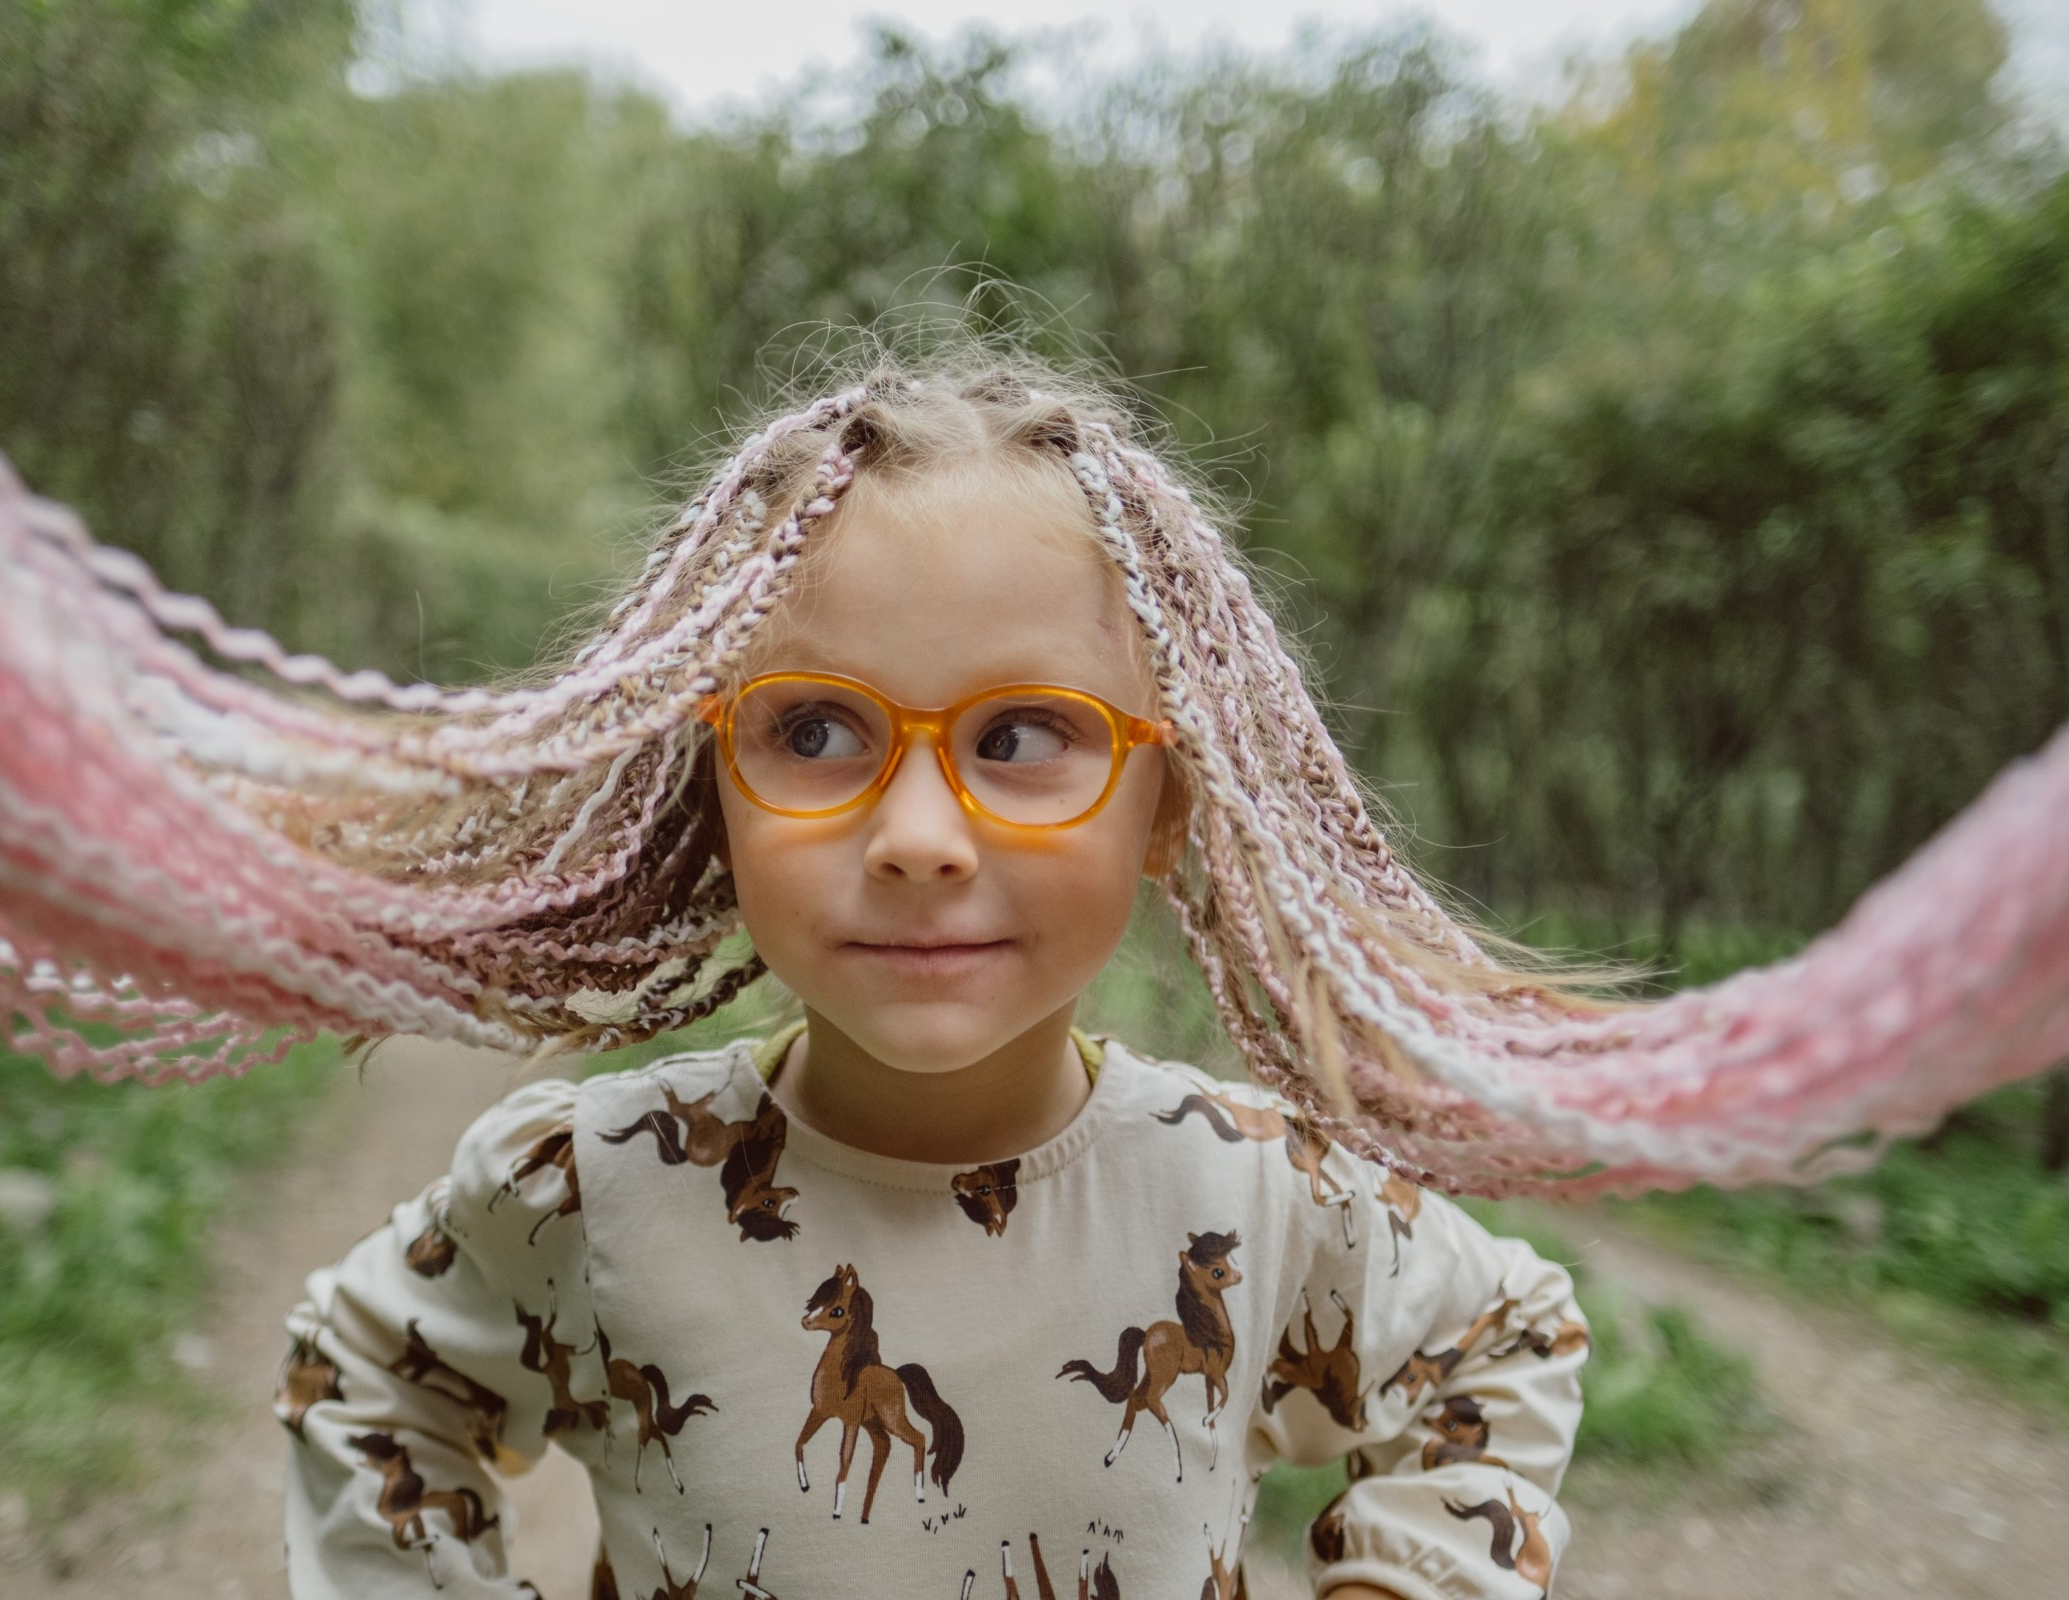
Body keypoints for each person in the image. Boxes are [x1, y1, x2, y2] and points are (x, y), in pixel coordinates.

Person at [278, 358, 1587, 1600]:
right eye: (814, 730)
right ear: (713, 787)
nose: (915, 839)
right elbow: (363, 1377)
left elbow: (1500, 1339)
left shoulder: (1255, 1201)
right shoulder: (592, 1187)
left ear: (1167, 808)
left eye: (1021, 737)